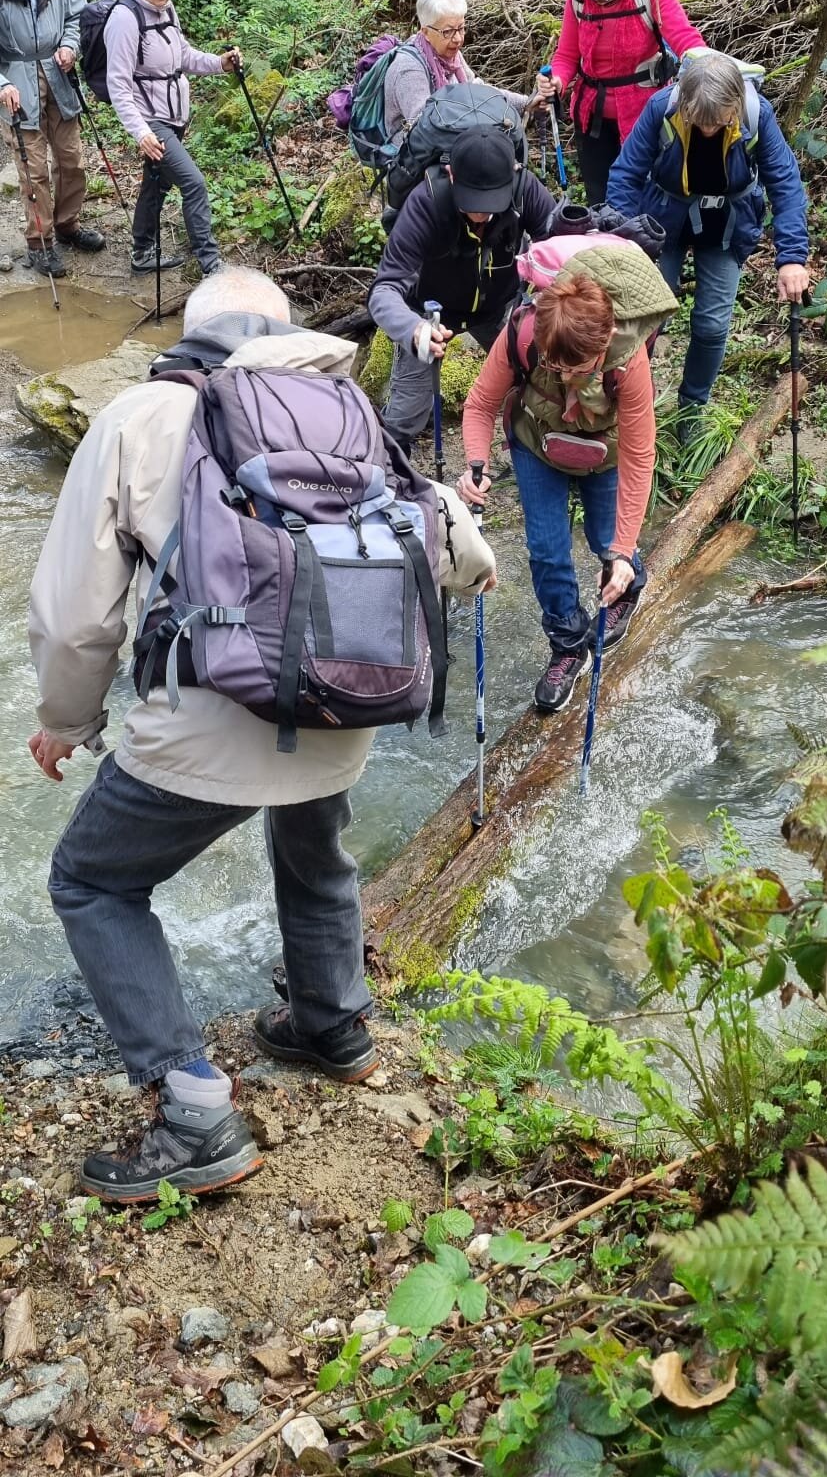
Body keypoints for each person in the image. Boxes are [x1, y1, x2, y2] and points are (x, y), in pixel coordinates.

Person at [27, 266, 495, 1203]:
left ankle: (191, 1107)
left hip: (210, 719)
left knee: (92, 880)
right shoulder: (341, 407)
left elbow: (78, 615)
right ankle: (332, 1025)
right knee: (315, 850)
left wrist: (66, 720)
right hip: (339, 706)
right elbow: (464, 557)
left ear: (193, 331)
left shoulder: (140, 415)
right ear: (283, 333)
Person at [457, 244, 677, 712]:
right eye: (553, 365)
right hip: (537, 443)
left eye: (573, 368)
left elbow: (640, 456)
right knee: (546, 549)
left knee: (608, 541)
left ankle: (626, 583)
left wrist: (620, 552)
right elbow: (480, 404)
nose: (562, 374)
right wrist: (475, 462)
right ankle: (568, 645)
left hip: (606, 452)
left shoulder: (628, 364)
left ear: (601, 349)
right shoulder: (523, 332)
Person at [606, 50, 810, 424]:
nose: (708, 130)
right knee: (645, 316)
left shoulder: (755, 114)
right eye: (699, 121)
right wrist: (621, 238)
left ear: (734, 105)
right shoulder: (661, 108)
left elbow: (785, 184)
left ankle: (691, 411)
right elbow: (626, 173)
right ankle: (632, 404)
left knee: (713, 325)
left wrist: (792, 257)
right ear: (683, 100)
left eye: (717, 122)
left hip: (727, 225)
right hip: (663, 219)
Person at [369, 109, 562, 454]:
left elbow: (562, 249)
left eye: (491, 203)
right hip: (429, 313)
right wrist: (412, 329)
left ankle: (540, 453)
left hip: (497, 309)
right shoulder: (426, 202)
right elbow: (384, 290)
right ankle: (388, 470)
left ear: (513, 174)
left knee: (533, 380)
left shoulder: (524, 189)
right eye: (472, 201)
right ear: (451, 175)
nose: (481, 213)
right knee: (407, 411)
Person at [535, 0, 706, 206]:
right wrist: (557, 81)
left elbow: (684, 38)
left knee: (644, 196)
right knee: (600, 198)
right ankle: (603, 248)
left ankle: (643, 251)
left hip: (646, 115)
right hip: (593, 118)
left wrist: (710, 69)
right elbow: (566, 55)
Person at [103, 0, 239, 276]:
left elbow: (184, 57)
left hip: (174, 115)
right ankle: (211, 265)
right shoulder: (125, 19)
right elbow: (118, 85)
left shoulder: (167, 10)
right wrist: (142, 132)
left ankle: (142, 252)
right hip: (152, 120)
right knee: (193, 183)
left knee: (157, 184)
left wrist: (220, 64)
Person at [0, 0, 105, 277]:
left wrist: (69, 46)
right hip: (15, 83)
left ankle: (67, 226)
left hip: (57, 77)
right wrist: (2, 84)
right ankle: (39, 242)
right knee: (34, 169)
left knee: (72, 158)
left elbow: (78, 14)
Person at [384, 0, 530, 145]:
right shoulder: (409, 69)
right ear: (425, 32)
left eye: (461, 28)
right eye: (447, 32)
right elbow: (422, 125)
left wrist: (526, 104)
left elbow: (477, 92)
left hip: (445, 134)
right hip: (408, 149)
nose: (458, 39)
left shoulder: (449, 55)